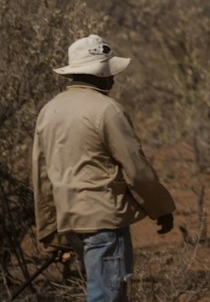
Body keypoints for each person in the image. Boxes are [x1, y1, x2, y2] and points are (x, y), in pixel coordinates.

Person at [32, 34, 175, 302]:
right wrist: (162, 209)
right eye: (109, 72)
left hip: (70, 221)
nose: (114, 78)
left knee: (100, 293)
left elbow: (42, 177)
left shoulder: (49, 111)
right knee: (106, 297)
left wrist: (52, 233)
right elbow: (136, 169)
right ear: (99, 74)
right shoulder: (108, 110)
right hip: (104, 223)